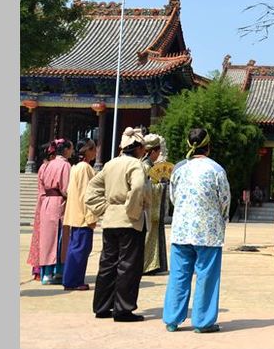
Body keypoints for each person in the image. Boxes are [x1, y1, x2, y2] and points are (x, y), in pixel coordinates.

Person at [163, 128, 230, 333]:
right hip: (208, 231)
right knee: (206, 275)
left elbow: (173, 197)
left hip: (182, 229)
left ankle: (172, 319)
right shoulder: (216, 170)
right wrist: (221, 218)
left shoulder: (179, 169)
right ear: (208, 147)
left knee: (179, 274)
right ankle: (202, 322)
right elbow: (225, 200)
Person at [85, 127, 151, 322]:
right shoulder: (136, 165)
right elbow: (138, 187)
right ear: (138, 148)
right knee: (128, 266)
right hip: (129, 221)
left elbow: (92, 189)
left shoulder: (110, 164)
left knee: (108, 263)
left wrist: (103, 208)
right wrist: (133, 209)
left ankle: (102, 306)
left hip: (111, 219)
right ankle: (123, 309)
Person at [61, 139, 98, 291]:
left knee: (76, 247)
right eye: (93, 149)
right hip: (82, 216)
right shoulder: (84, 168)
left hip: (75, 214)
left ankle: (72, 279)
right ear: (87, 150)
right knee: (80, 249)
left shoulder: (76, 167)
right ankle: (73, 280)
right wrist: (90, 216)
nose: (95, 152)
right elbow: (85, 194)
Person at [38, 139, 73, 285]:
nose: (72, 151)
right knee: (60, 238)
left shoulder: (47, 164)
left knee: (47, 239)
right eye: (70, 148)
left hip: (47, 202)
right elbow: (66, 188)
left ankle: (46, 273)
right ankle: (58, 271)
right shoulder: (65, 165)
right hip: (59, 202)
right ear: (65, 150)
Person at [27, 142, 56, 280]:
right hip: (48, 202)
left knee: (40, 235)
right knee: (46, 237)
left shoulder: (43, 167)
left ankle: (38, 268)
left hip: (42, 202)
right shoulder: (47, 167)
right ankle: (42, 268)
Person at [142, 133, 168, 275]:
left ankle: (152, 264)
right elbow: (148, 188)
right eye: (158, 152)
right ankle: (147, 265)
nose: (159, 155)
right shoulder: (146, 166)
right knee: (148, 237)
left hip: (151, 208)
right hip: (149, 207)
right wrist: (162, 186)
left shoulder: (148, 165)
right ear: (153, 151)